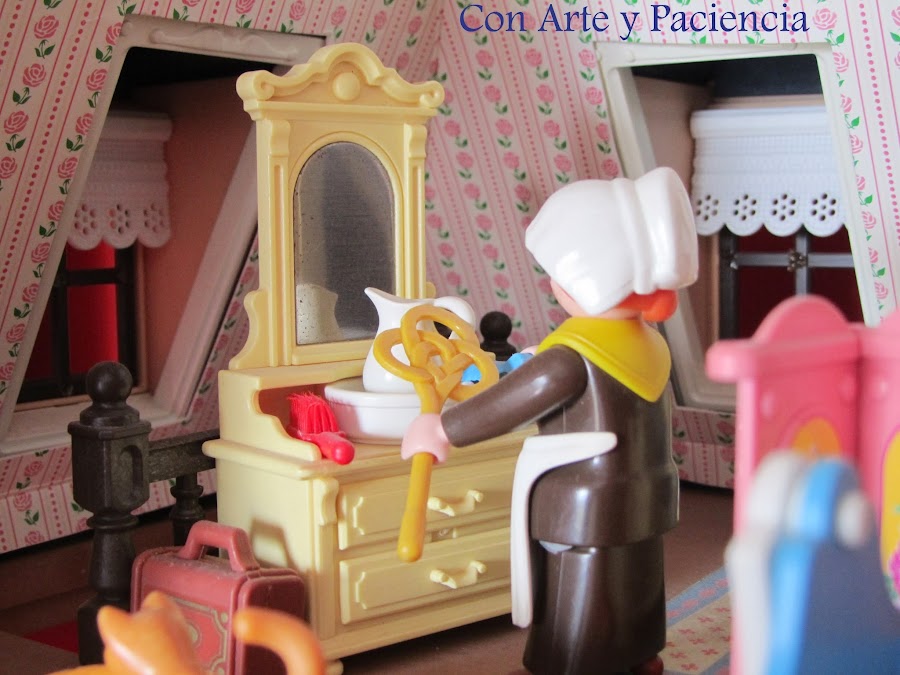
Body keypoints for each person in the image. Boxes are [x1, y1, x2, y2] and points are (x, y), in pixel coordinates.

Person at [401, 167, 699, 675]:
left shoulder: (569, 360)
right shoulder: (648, 342)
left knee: (579, 588)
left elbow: (510, 403)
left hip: (583, 503)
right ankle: (639, 654)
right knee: (635, 577)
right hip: (645, 495)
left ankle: (572, 664)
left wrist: (442, 429)